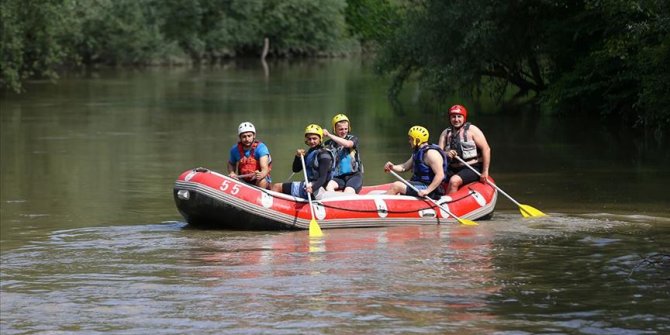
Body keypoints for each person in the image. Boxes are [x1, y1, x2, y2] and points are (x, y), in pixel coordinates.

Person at [271, 124, 335, 200]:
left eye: (314, 139)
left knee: (276, 187)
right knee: (279, 186)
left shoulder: (324, 155)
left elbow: (323, 178)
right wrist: (297, 157)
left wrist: (312, 188)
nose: (312, 141)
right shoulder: (310, 153)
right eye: (309, 139)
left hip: (317, 188)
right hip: (310, 185)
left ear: (320, 139)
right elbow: (296, 169)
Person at [438, 104, 491, 194]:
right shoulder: (445, 133)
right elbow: (438, 153)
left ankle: (450, 205)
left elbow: (486, 149)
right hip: (452, 168)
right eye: (453, 117)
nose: (456, 119)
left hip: (472, 167)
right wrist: (446, 153)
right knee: (434, 177)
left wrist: (485, 171)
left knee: (454, 181)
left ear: (464, 118)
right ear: (450, 118)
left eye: (459, 116)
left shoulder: (473, 130)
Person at [383, 126, 448, 199]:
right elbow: (404, 167)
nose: (409, 141)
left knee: (397, 185)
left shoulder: (431, 154)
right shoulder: (418, 151)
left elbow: (440, 175)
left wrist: (427, 190)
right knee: (400, 184)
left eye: (410, 139)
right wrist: (392, 167)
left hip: (431, 190)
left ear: (417, 140)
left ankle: (378, 205)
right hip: (420, 184)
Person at [323, 114, 364, 194]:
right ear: (335, 129)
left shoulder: (353, 139)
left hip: (354, 176)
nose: (344, 131)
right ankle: (332, 203)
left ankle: (345, 197)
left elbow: (347, 144)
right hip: (338, 178)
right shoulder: (329, 144)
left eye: (346, 129)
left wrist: (328, 135)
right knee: (328, 187)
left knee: (348, 192)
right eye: (341, 129)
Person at [227, 122, 272, 189]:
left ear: (254, 135)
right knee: (232, 180)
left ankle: (260, 196)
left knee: (261, 182)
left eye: (249, 136)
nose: (247, 139)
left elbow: (264, 169)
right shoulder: (235, 149)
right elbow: (231, 163)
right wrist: (232, 173)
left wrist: (260, 174)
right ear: (240, 137)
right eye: (244, 137)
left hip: (259, 179)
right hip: (243, 179)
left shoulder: (261, 148)